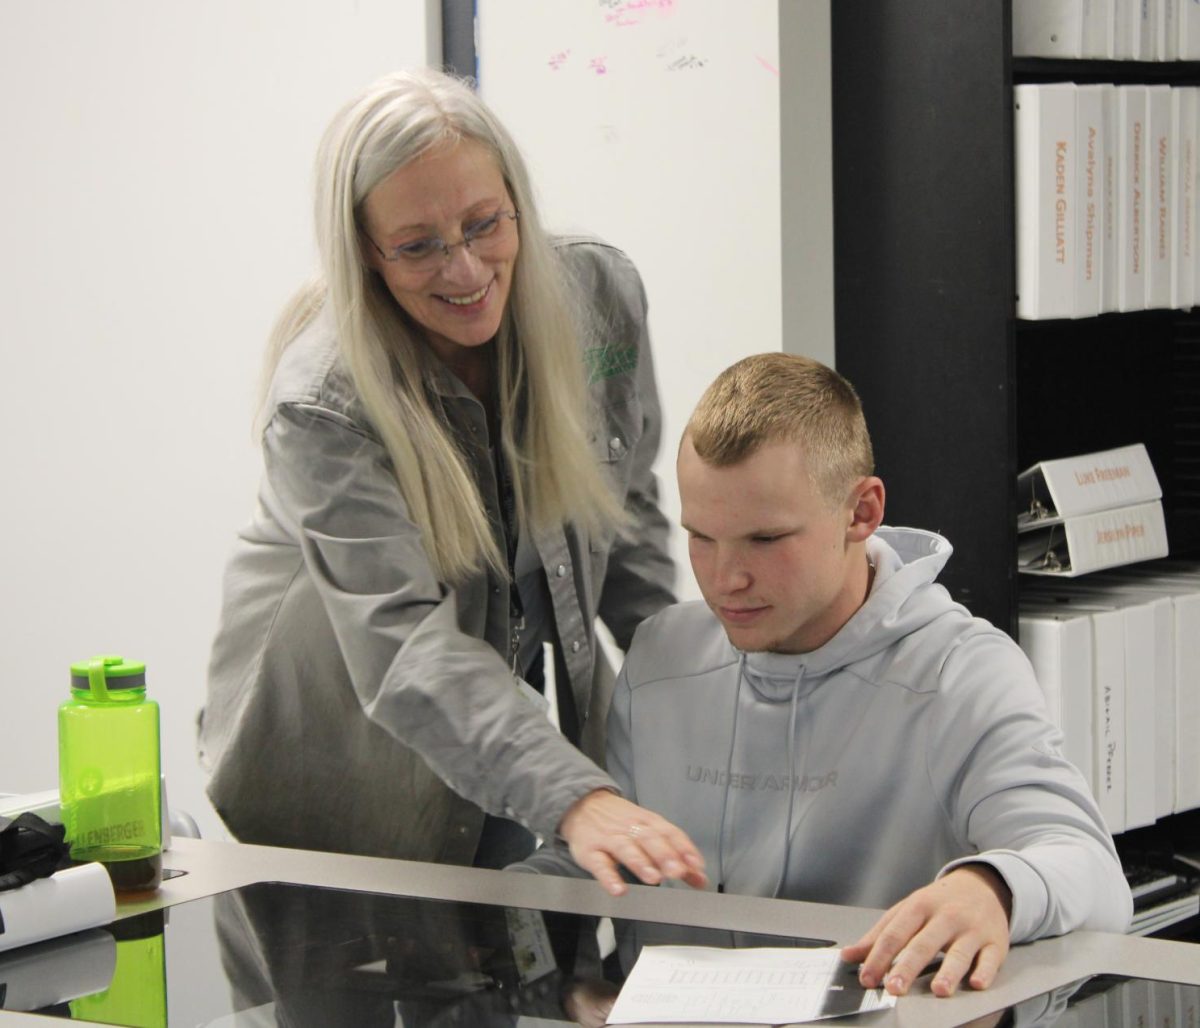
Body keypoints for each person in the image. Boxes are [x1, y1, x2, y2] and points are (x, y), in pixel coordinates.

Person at [197, 67, 706, 895]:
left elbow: (628, 526)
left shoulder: (599, 300)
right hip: (336, 780)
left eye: (483, 224)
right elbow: (400, 646)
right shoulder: (321, 401)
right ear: (365, 249)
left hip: (502, 732)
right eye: (419, 245)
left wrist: (705, 709)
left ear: (517, 201)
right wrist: (576, 794)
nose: (465, 270)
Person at [516, 353, 1132, 998]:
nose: (726, 579)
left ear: (861, 512)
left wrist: (992, 887)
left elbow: (1089, 870)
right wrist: (509, 906)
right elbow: (618, 862)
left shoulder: (960, 671)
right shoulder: (661, 654)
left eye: (764, 540)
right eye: (701, 537)